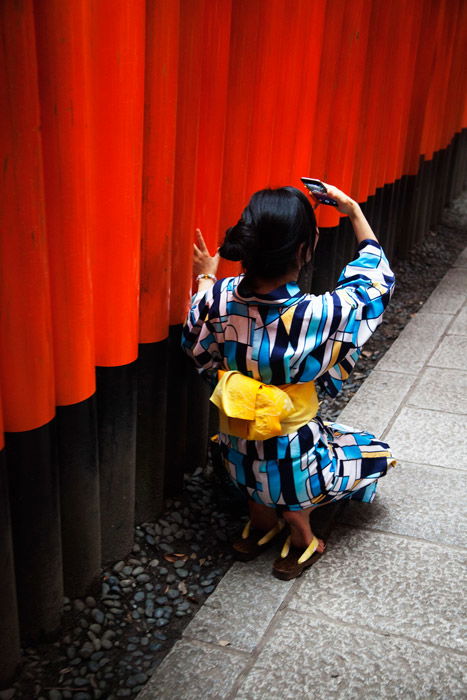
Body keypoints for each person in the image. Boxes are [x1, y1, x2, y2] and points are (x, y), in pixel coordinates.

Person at [182, 183, 396, 580]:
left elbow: (196, 342)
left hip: (237, 429)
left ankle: (262, 526)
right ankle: (305, 539)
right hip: (292, 439)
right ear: (303, 251)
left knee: (250, 477)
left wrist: (206, 279)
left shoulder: (222, 298)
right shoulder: (318, 313)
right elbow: (374, 284)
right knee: (296, 488)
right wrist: (352, 211)